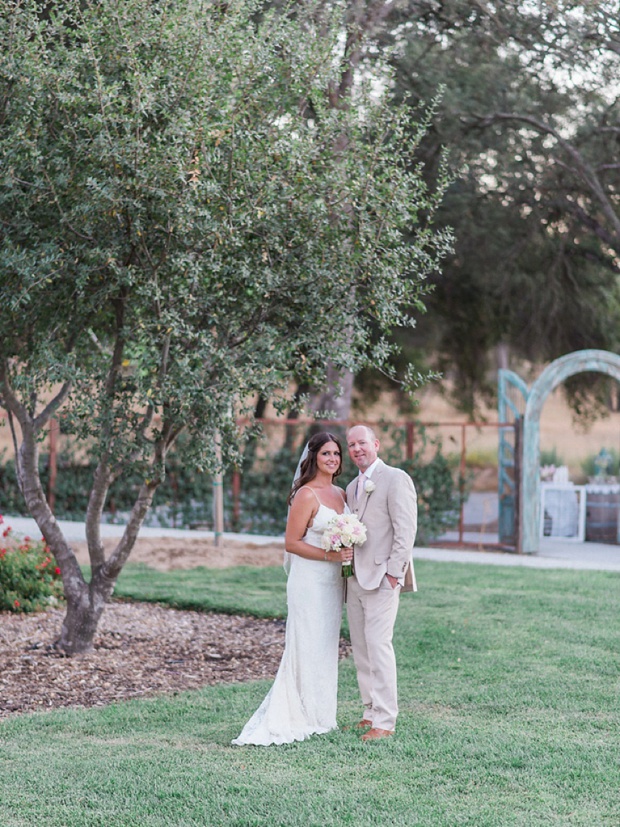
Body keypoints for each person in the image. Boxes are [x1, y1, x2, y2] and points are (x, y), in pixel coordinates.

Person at [231, 431, 353, 746]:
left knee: (325, 646)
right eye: (326, 453)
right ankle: (296, 713)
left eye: (337, 454)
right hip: (310, 580)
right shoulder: (306, 495)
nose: (333, 459)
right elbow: (292, 543)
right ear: (313, 458)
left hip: (332, 583)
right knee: (306, 644)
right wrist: (332, 555)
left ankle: (321, 715)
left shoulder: (341, 494)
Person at [345, 424, 417, 742]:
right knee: (361, 649)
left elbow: (405, 529)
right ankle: (369, 712)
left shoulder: (395, 478)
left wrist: (394, 573)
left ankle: (385, 722)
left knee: (379, 646)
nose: (357, 449)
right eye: (351, 445)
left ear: (375, 444)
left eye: (362, 443)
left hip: (383, 579)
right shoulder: (351, 486)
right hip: (356, 578)